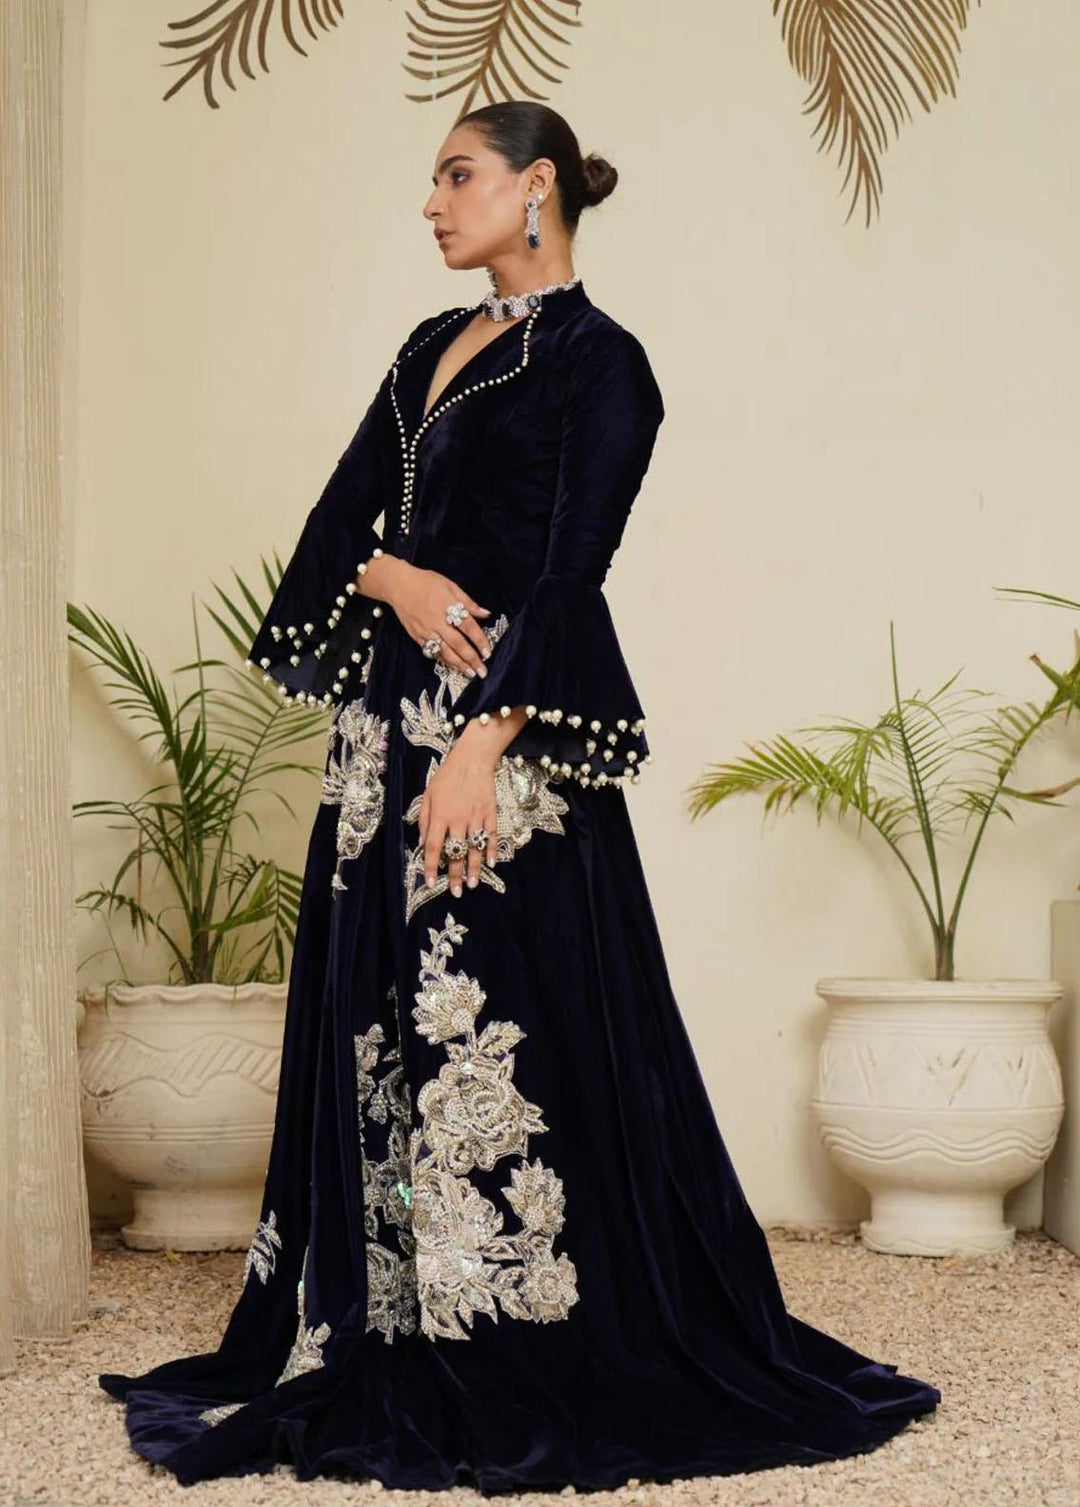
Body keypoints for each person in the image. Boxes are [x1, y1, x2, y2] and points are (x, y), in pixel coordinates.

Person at [98, 101, 941, 1492]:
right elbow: (337, 530)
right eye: (431, 179)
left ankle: (510, 1315)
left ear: (536, 186)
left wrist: (482, 749)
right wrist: (399, 577)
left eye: (458, 175)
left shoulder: (606, 368)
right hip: (381, 741)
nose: (433, 203)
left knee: (496, 1014)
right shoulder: (428, 345)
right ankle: (390, 1304)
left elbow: (570, 574)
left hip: (502, 743)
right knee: (381, 1014)